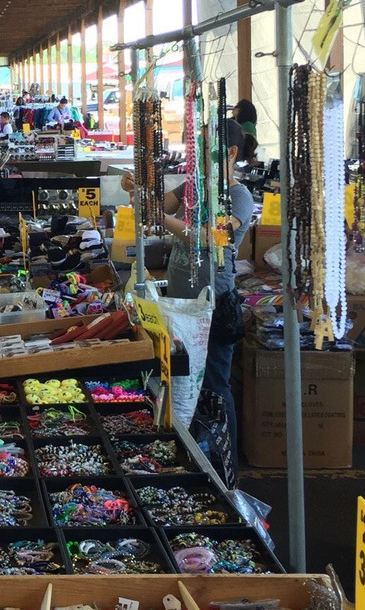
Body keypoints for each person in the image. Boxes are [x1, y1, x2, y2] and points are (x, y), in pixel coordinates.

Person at [122, 118, 253, 478]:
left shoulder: (239, 196)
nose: (197, 159)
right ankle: (190, 454)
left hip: (212, 306)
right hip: (181, 306)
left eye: (204, 150)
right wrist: (137, 189)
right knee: (180, 382)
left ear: (228, 152)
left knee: (212, 386)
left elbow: (212, 237)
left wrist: (161, 218)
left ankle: (223, 468)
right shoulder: (192, 187)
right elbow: (154, 205)